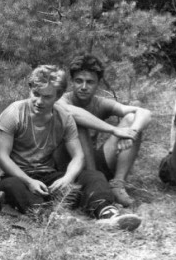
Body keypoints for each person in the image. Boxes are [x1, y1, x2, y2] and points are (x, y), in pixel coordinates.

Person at [0, 65, 141, 230]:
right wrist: (29, 181)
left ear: (58, 96)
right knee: (12, 186)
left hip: (47, 175)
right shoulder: (13, 113)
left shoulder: (64, 117)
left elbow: (78, 156)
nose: (39, 101)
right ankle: (50, 217)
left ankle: (106, 212)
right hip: (15, 176)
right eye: (36, 94)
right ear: (30, 89)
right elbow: (2, 157)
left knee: (93, 176)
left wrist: (67, 178)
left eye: (47, 97)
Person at [55, 54, 152, 207]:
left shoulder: (99, 102)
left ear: (98, 84)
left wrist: (131, 133)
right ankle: (94, 186)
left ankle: (117, 185)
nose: (84, 87)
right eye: (79, 81)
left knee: (131, 119)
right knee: (78, 124)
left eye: (90, 82)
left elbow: (144, 112)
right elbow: (71, 112)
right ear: (72, 82)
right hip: (65, 164)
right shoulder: (61, 100)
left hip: (92, 161)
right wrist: (114, 130)